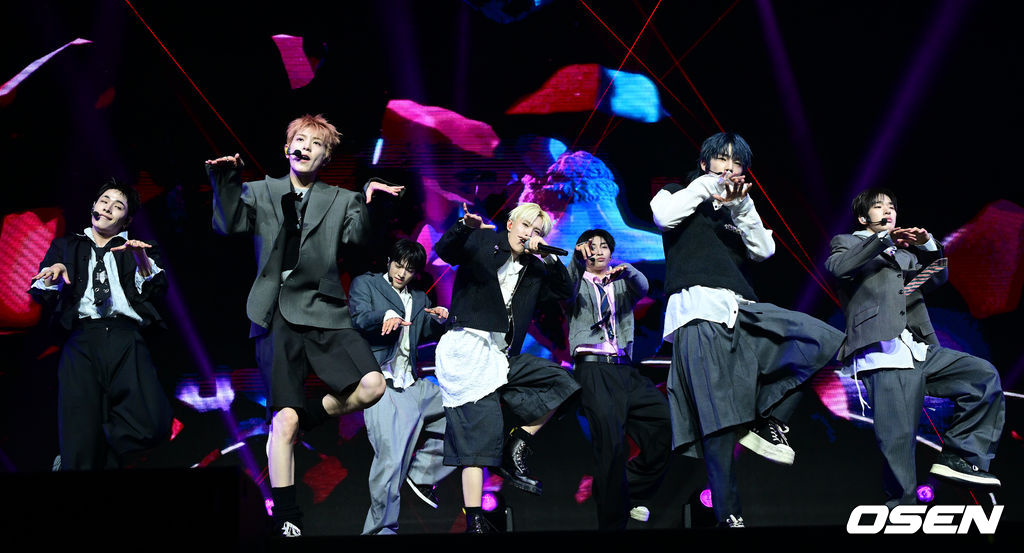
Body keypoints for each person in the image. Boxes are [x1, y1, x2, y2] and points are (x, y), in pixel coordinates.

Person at [206, 114, 398, 537]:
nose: (306, 147)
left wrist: (374, 203)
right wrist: (225, 180)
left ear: (326, 157)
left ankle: (309, 416)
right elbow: (226, 224)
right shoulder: (261, 191)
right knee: (283, 422)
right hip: (274, 314)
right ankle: (287, 515)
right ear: (287, 147)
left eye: (316, 143)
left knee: (373, 385)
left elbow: (360, 241)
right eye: (300, 139)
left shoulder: (341, 198)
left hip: (326, 311)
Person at [649, 132, 844, 527]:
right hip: (699, 312)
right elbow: (664, 218)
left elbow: (764, 250)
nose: (729, 167)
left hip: (743, 310)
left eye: (736, 162)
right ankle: (729, 516)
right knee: (718, 426)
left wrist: (740, 205)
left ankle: (767, 419)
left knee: (822, 340)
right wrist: (707, 187)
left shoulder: (738, 207)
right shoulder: (676, 193)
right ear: (704, 163)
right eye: (722, 159)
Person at [825, 187, 1004, 506]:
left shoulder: (905, 256)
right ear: (864, 218)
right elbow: (838, 268)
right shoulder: (848, 244)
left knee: (982, 376)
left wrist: (929, 246)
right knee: (898, 442)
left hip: (919, 350)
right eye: (879, 207)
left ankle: (960, 456)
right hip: (882, 352)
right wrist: (883, 240)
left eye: (892, 207)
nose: (888, 211)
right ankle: (900, 509)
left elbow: (936, 278)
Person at [433, 201, 580, 533]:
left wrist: (549, 255)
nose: (530, 234)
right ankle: (474, 520)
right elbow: (445, 250)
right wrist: (465, 226)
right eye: (526, 226)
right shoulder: (484, 241)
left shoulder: (534, 268)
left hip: (501, 356)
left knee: (563, 383)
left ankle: (519, 440)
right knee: (479, 441)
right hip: (468, 349)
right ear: (511, 224)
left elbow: (564, 290)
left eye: (538, 231)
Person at [29, 178, 172, 471]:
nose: (108, 208)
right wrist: (53, 273)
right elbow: (42, 291)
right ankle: (77, 455)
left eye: (117, 206)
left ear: (126, 220)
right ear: (93, 205)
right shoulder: (66, 245)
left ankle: (95, 443)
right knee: (79, 442)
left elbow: (156, 289)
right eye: (104, 201)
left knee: (153, 424)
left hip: (125, 338)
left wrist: (141, 258)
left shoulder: (138, 249)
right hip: (82, 339)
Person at [348, 238, 455, 535]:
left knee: (465, 411)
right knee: (390, 463)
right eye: (398, 265)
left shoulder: (419, 299)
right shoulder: (367, 284)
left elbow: (425, 332)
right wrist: (384, 316)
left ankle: (422, 474)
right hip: (383, 385)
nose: (401, 273)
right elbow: (359, 318)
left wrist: (440, 319)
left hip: (414, 385)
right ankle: (380, 532)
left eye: (409, 269)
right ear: (388, 261)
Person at [568, 228, 671, 530]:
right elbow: (565, 287)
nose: (598, 251)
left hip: (625, 368)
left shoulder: (622, 284)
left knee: (664, 423)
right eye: (592, 247)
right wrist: (576, 261)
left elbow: (645, 286)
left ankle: (628, 490)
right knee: (611, 448)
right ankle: (612, 525)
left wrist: (630, 271)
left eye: (604, 246)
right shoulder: (577, 283)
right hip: (593, 368)